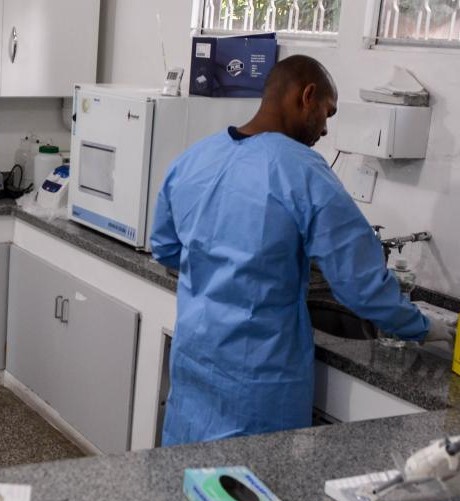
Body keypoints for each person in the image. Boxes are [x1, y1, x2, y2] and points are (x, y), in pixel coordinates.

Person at [150, 55, 455, 446]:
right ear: (307, 96)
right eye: (327, 112)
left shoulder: (194, 158)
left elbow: (165, 248)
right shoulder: (304, 172)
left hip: (195, 356)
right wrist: (426, 327)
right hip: (256, 379)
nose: (325, 129)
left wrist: (221, 271)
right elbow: (361, 285)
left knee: (187, 469)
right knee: (249, 478)